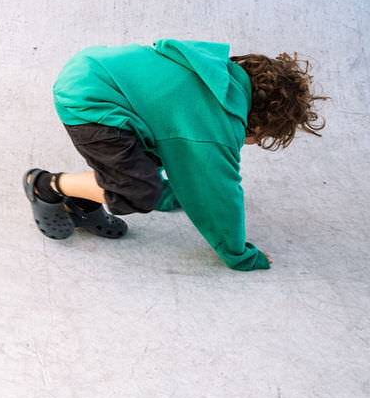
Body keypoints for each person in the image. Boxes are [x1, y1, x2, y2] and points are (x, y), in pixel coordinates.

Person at [23, 39, 326, 270]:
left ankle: (83, 203)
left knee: (159, 140)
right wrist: (238, 253)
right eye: (261, 138)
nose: (254, 143)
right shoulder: (216, 125)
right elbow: (219, 192)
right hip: (89, 99)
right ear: (258, 124)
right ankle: (45, 185)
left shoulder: (214, 74)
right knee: (136, 192)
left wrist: (169, 193)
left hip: (95, 71)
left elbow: (169, 133)